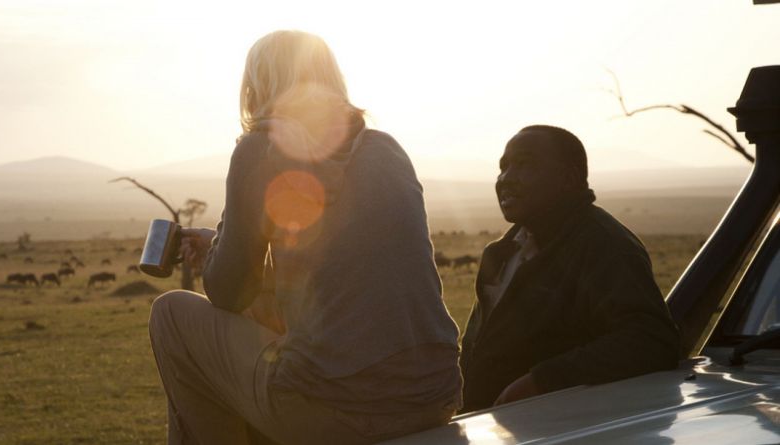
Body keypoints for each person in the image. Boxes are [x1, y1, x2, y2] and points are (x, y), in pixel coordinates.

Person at [148, 30, 463, 444]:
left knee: (171, 314)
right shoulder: (385, 148)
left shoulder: (261, 149)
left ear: (255, 88)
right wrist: (223, 246)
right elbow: (334, 285)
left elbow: (227, 292)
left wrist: (218, 251)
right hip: (434, 397)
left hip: (338, 410)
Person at [458, 125, 681, 413]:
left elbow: (652, 340)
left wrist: (542, 381)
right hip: (490, 427)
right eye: (503, 167)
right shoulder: (499, 252)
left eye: (524, 165)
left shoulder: (603, 245)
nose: (506, 178)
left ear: (568, 178)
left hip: (563, 428)